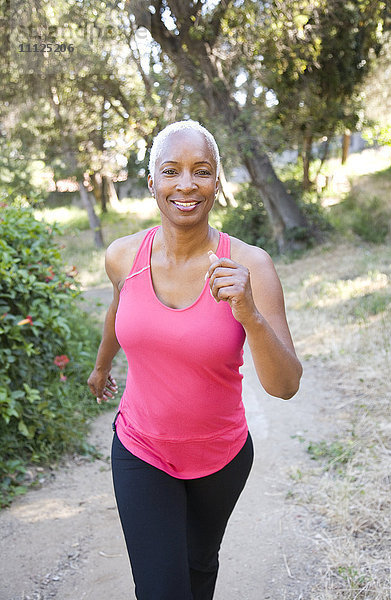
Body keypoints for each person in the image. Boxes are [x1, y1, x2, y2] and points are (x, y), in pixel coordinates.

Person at [87, 119, 302, 600]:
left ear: (217, 182)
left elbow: (285, 385)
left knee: (199, 569)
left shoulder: (252, 265)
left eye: (201, 171)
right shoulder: (124, 256)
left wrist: (248, 313)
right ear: (153, 183)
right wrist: (101, 366)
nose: (186, 184)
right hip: (142, 448)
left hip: (220, 458)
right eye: (172, 171)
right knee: (163, 589)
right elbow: (118, 310)